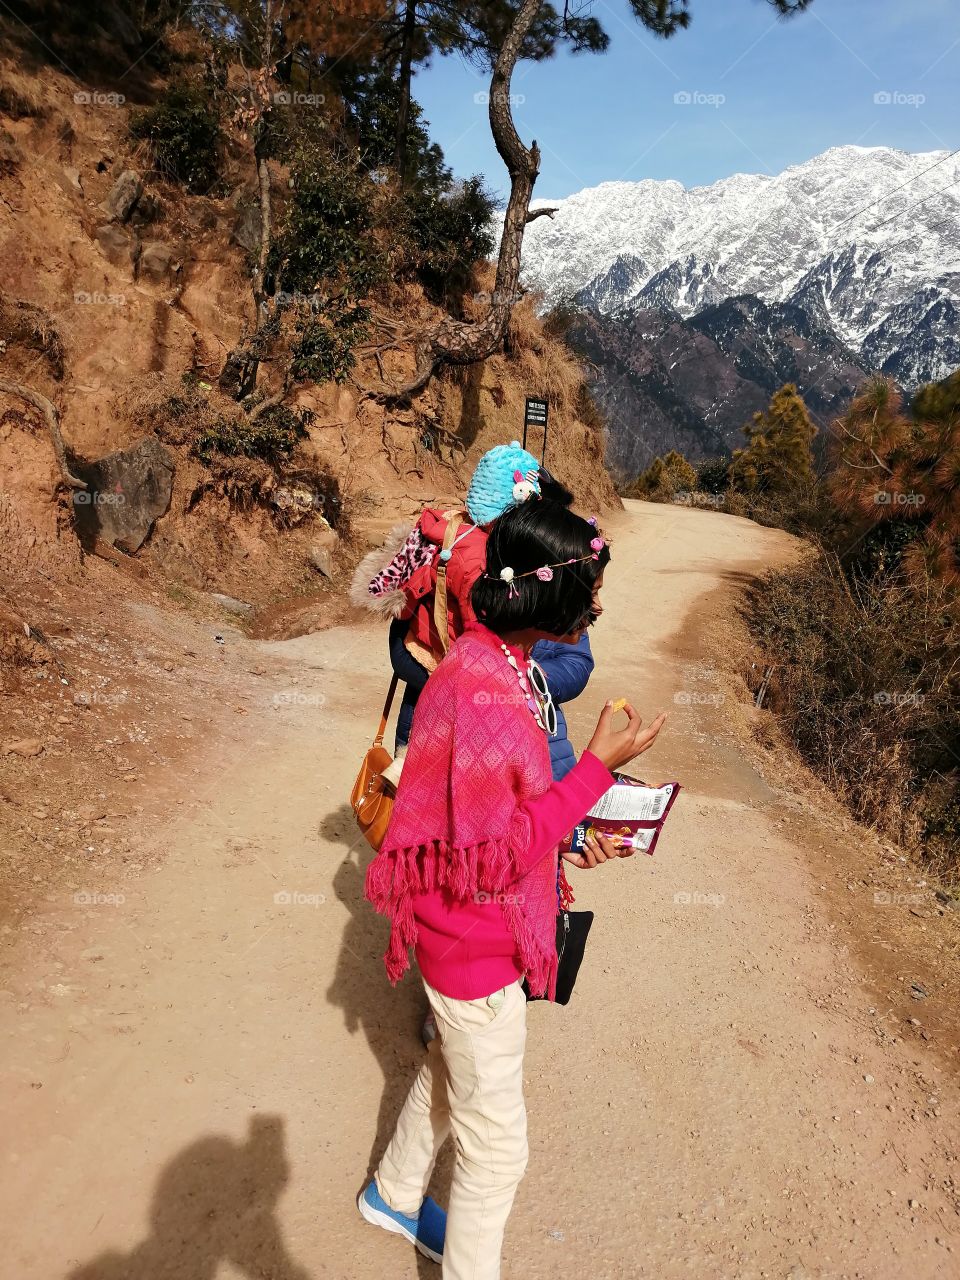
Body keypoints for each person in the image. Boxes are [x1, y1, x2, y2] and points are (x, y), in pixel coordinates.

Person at [357, 500, 667, 1278]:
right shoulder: (487, 690)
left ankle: (394, 1195)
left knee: (447, 1072)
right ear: (547, 599)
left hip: (455, 936)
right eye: (587, 592)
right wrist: (593, 768)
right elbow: (500, 851)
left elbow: (504, 820)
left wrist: (573, 835)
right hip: (477, 953)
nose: (595, 607)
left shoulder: (497, 663)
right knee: (497, 1152)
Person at [350, 441, 543, 753]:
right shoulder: (479, 558)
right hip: (442, 654)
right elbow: (478, 634)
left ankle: (404, 754)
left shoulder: (456, 524)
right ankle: (407, 762)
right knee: (429, 716)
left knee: (418, 697)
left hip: (420, 642)